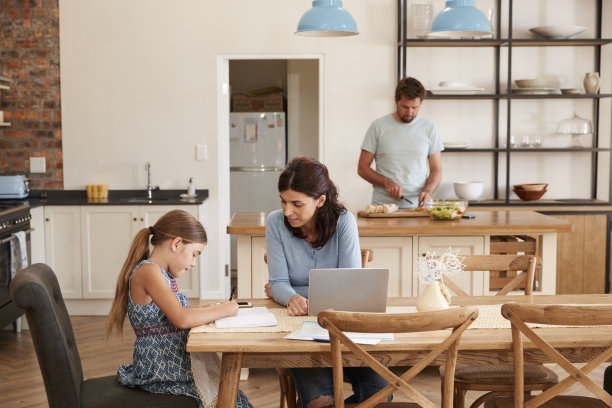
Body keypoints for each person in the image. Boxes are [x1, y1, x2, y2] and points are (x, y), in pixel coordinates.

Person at [265, 156, 390, 408]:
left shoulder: (344, 222)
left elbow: (351, 284)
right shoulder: (275, 222)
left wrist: (292, 291)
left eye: (297, 204)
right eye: (283, 201)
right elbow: (278, 282)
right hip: (299, 329)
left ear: (320, 200)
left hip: (345, 329)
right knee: (321, 400)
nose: (287, 211)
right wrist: (290, 296)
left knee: (381, 392)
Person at [106, 209, 252, 408]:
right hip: (161, 367)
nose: (193, 263)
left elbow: (174, 312)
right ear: (176, 243)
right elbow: (181, 318)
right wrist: (225, 309)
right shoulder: (148, 272)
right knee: (224, 394)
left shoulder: (160, 274)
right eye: (194, 254)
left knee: (231, 392)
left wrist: (207, 308)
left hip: (170, 363)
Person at [358, 76, 443, 208]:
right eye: (405, 107)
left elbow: (436, 169)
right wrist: (386, 182)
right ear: (396, 100)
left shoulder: (429, 127)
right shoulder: (378, 126)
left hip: (418, 208)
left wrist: (428, 191)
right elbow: (362, 168)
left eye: (415, 107)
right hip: (383, 207)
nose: (409, 112)